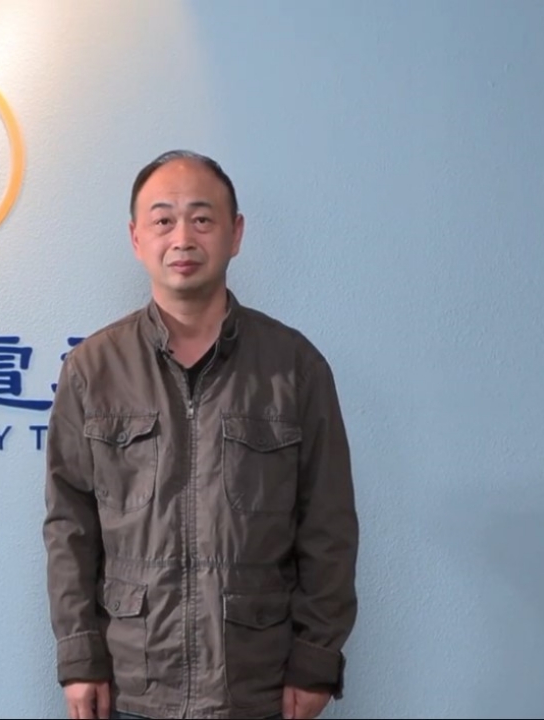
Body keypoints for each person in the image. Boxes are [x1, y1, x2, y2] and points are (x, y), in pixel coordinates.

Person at [42, 150, 359, 720]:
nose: (183, 238)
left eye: (202, 219)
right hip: (133, 684)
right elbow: (70, 527)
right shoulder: (93, 369)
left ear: (235, 234)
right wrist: (80, 657)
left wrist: (316, 658)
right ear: (137, 238)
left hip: (257, 685)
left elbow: (328, 525)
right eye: (163, 220)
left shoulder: (294, 368)